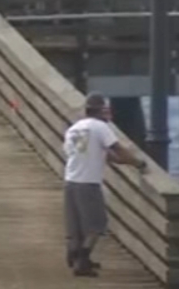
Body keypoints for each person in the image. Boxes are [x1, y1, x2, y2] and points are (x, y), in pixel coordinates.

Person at [63, 92, 147, 277]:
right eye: (106, 110)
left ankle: (74, 253)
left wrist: (123, 161)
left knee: (76, 225)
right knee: (97, 225)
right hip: (88, 183)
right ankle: (82, 262)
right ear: (101, 110)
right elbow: (117, 149)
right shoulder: (100, 127)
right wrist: (138, 163)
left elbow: (97, 154)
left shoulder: (74, 128)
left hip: (71, 181)